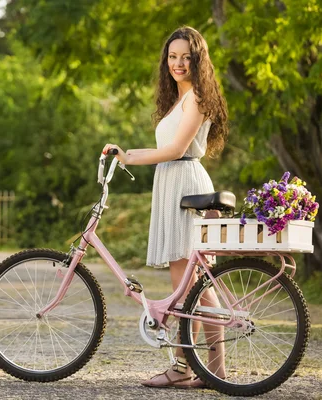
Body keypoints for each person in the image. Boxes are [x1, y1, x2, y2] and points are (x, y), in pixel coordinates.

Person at [102, 26, 229, 389]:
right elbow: (166, 153)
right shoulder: (178, 99)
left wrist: (131, 157)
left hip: (186, 186)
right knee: (187, 286)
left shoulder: (198, 99)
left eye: (185, 57)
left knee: (195, 287)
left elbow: (175, 151)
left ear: (197, 60)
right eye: (172, 57)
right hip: (173, 183)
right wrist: (125, 154)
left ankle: (200, 369)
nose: (178, 63)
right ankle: (196, 368)